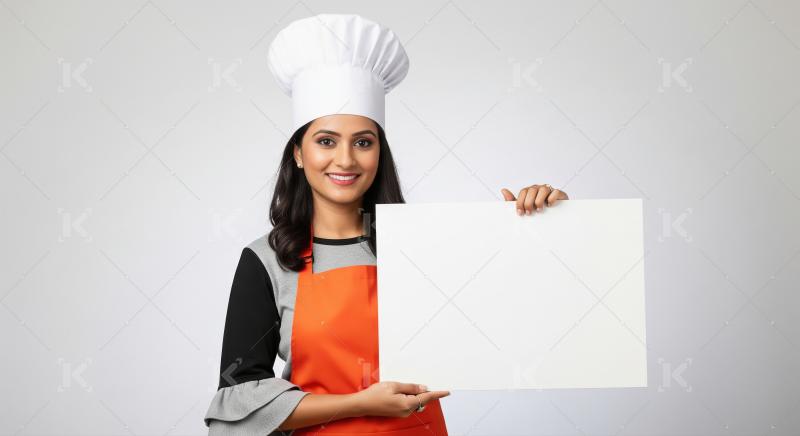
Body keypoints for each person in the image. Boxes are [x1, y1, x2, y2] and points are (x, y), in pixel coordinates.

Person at [203, 13, 569, 436]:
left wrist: (540, 226)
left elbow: (518, 311)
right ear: (299, 154)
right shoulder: (267, 261)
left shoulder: (423, 245)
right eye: (326, 141)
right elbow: (239, 399)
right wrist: (359, 404)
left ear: (379, 152)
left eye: (363, 142)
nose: (345, 159)